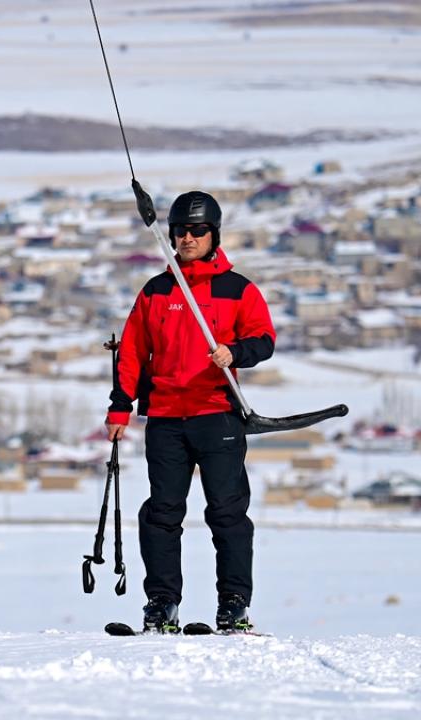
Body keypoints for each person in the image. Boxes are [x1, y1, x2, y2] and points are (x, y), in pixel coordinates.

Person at [104, 190, 276, 633]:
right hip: (165, 418)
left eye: (197, 230)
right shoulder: (158, 291)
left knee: (227, 514)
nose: (187, 237)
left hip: (217, 413)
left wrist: (234, 351)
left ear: (213, 234)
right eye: (180, 230)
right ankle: (162, 605)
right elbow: (132, 354)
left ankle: (233, 605)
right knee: (162, 513)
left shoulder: (238, 289)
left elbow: (264, 340)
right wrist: (120, 409)